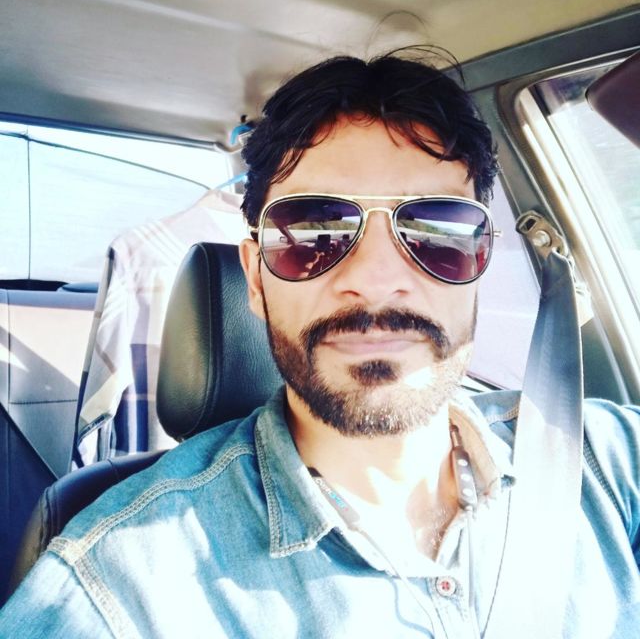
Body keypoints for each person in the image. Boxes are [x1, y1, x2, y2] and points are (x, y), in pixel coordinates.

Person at [1, 52, 639, 639]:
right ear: (256, 280)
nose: (376, 281)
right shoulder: (121, 587)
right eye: (312, 232)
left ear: (479, 263)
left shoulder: (607, 461)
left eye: (437, 230)